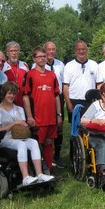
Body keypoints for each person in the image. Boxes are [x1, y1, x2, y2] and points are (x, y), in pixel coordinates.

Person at [0, 81, 54, 186]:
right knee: (21, 145)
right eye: (9, 93)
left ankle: (39, 174)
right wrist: (14, 123)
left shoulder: (19, 109)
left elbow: (23, 126)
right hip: (4, 139)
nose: (11, 96)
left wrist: (26, 125)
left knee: (33, 142)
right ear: (3, 94)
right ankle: (25, 177)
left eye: (14, 94)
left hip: (19, 137)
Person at [24, 47, 62, 173]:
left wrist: (59, 114)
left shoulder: (52, 75)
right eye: (39, 57)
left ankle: (49, 169)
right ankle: (37, 170)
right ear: (34, 58)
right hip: (38, 117)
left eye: (44, 56)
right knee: (36, 144)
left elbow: (56, 95)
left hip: (51, 117)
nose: (42, 59)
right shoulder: (30, 74)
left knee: (49, 142)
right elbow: (25, 96)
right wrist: (29, 116)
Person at [63, 40, 101, 122]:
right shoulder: (69, 66)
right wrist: (68, 103)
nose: (81, 51)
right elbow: (65, 86)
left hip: (90, 102)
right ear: (75, 51)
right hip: (74, 102)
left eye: (83, 49)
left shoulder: (94, 65)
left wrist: (99, 101)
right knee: (75, 128)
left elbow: (99, 84)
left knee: (90, 126)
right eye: (79, 49)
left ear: (86, 50)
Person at [43, 41, 66, 169]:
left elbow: (63, 83)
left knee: (59, 126)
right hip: (45, 98)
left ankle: (57, 156)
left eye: (53, 49)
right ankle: (45, 157)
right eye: (48, 49)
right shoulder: (37, 65)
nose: (51, 52)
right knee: (45, 128)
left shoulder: (60, 64)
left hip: (58, 97)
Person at [2, 41, 29, 107]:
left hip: (23, 101)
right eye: (11, 51)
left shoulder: (24, 65)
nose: (14, 53)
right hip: (9, 101)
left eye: (16, 51)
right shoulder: (3, 66)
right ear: (7, 53)